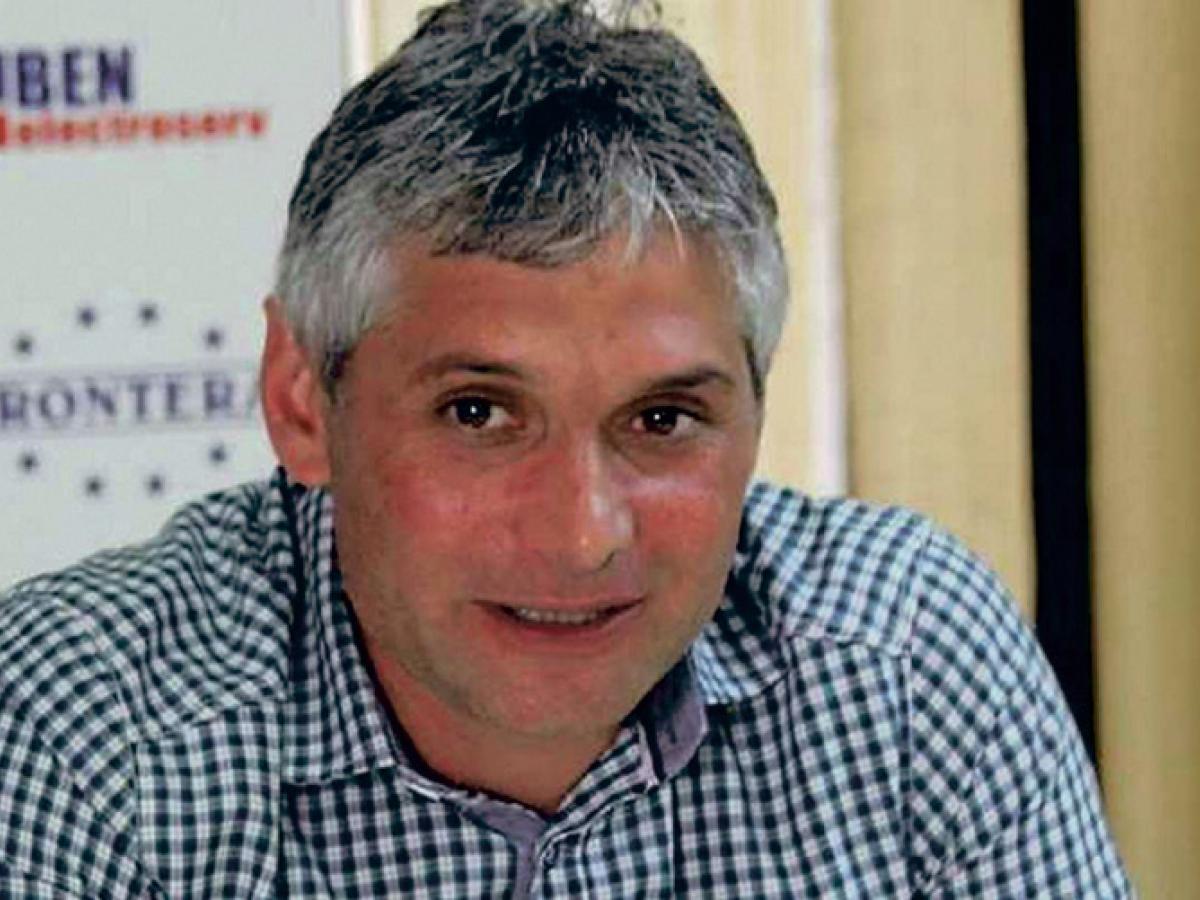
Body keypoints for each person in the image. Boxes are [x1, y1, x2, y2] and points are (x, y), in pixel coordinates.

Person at [0, 1, 1131, 896]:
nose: (584, 533)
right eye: (479, 414)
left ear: (756, 408)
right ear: (302, 401)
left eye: (662, 421)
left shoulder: (905, 662)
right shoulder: (92, 734)